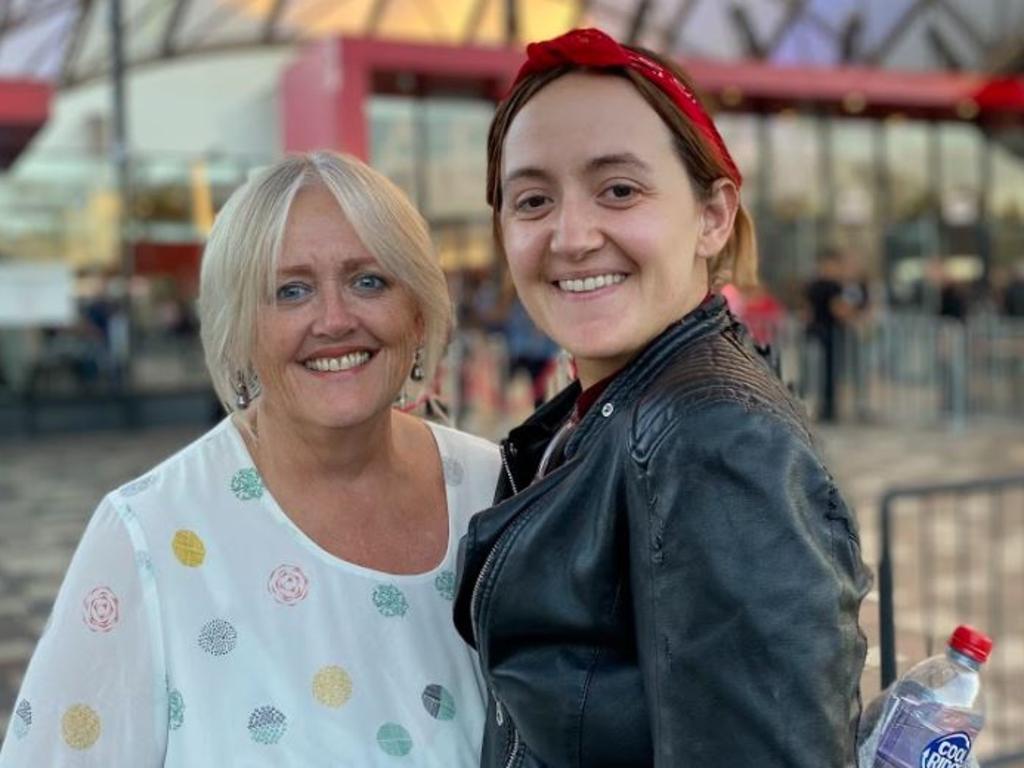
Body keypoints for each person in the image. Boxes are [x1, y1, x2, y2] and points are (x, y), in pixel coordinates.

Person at [452, 28, 870, 768]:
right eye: (532, 199)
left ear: (712, 216)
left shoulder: (709, 437)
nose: (571, 236)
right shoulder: (615, 406)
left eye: (619, 189)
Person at [0, 152, 499, 766]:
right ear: (239, 329)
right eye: (291, 291)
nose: (335, 319)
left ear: (417, 310)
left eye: (369, 280)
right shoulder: (149, 535)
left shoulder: (499, 490)